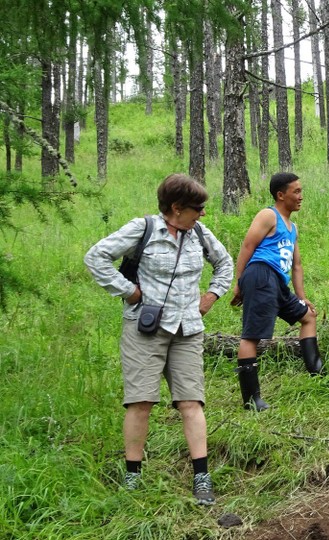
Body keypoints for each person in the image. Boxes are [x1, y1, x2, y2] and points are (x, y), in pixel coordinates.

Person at [84, 173, 233, 506]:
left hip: (188, 329)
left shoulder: (199, 233)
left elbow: (224, 263)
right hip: (145, 330)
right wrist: (130, 292)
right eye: (197, 208)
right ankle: (133, 477)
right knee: (141, 402)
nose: (203, 214)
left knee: (191, 401)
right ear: (176, 207)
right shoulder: (143, 229)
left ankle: (202, 478)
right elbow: (96, 257)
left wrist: (211, 295)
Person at [230, 172, 320, 412]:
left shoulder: (293, 228)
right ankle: (252, 400)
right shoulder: (268, 215)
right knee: (252, 335)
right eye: (296, 191)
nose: (301, 196)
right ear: (281, 195)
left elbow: (296, 265)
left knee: (308, 316)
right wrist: (239, 283)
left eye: (301, 191)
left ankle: (317, 372)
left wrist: (301, 297)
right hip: (261, 275)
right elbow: (248, 246)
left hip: (278, 283)